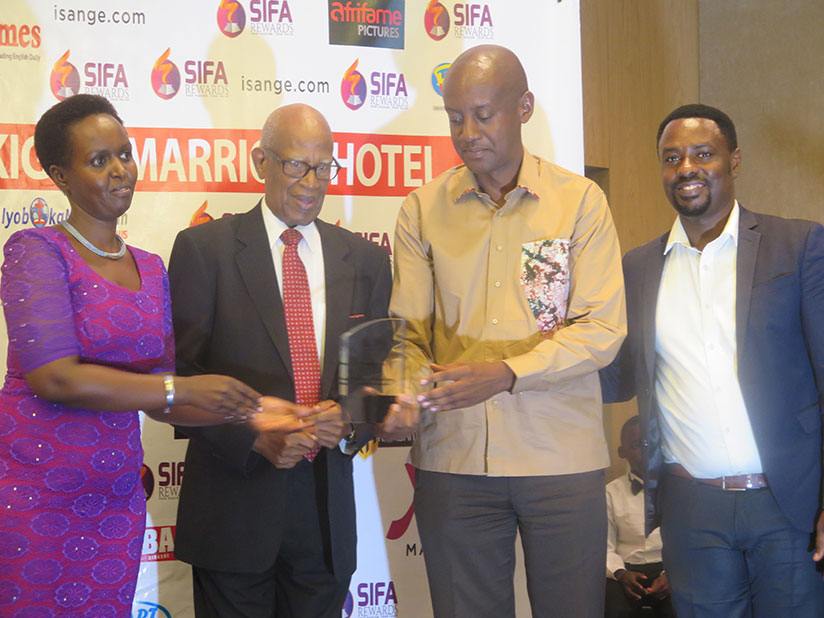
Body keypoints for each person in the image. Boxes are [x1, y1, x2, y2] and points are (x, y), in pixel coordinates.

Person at [0, 94, 294, 616]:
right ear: (59, 175)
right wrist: (179, 387)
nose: (120, 170)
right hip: (34, 494)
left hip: (116, 500)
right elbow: (55, 378)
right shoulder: (36, 250)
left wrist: (253, 411)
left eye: (125, 154)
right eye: (99, 160)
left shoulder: (152, 267)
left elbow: (164, 402)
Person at [389, 45, 627, 617]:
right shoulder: (421, 210)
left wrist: (504, 374)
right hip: (455, 460)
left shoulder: (580, 203)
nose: (467, 132)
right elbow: (408, 333)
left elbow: (602, 328)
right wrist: (403, 387)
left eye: (483, 114)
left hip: (560, 461)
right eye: (453, 118)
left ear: (523, 107)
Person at [169, 103, 414, 618]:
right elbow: (179, 380)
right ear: (261, 161)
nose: (311, 182)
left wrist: (349, 420)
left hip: (324, 520)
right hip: (233, 510)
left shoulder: (367, 261)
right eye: (295, 165)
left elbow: (379, 382)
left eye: (324, 167)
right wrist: (252, 433)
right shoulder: (204, 250)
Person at [600, 103, 824, 617]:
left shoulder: (797, 245)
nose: (686, 169)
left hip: (787, 501)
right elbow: (617, 380)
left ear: (734, 161)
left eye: (703, 154)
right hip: (692, 508)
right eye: (671, 158)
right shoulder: (638, 268)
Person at [606, 416, 675, 618]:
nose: (646, 451)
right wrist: (621, 574)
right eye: (637, 445)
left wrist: (671, 574)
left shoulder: (677, 490)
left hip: (669, 569)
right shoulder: (610, 493)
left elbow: (687, 540)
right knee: (614, 611)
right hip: (625, 572)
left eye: (651, 443)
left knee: (681, 607)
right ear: (622, 452)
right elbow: (603, 545)